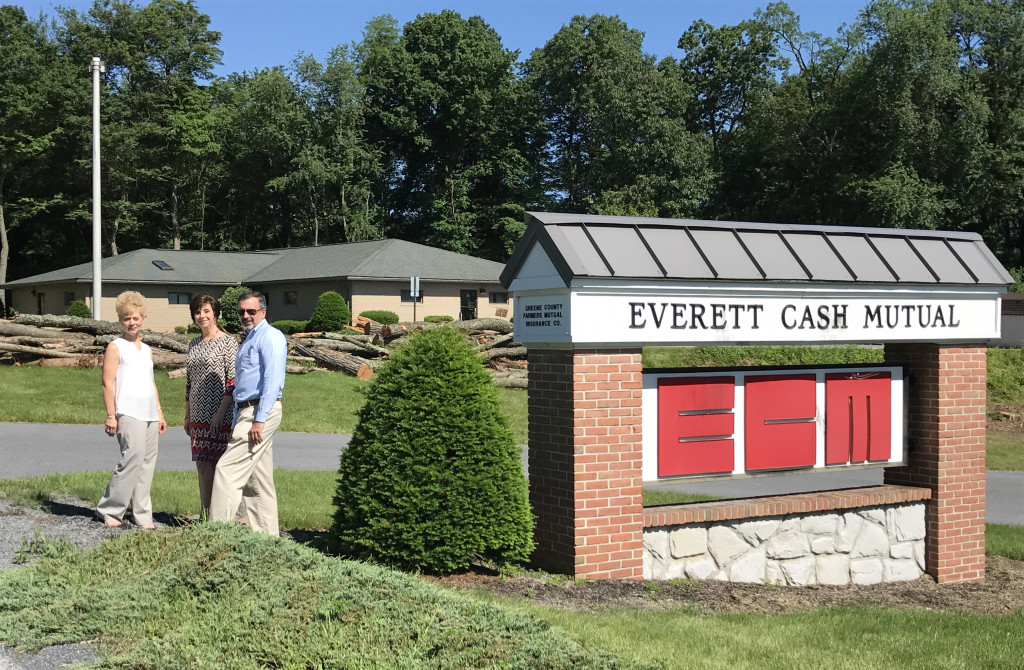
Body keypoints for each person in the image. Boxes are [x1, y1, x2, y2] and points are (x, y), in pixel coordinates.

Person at [209, 290, 287, 535]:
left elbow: (272, 381)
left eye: (251, 311)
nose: (245, 315)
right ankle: (268, 538)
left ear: (263, 312)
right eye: (242, 311)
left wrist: (259, 419)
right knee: (256, 479)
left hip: (260, 411)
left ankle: (215, 534)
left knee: (226, 470)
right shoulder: (250, 339)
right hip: (248, 411)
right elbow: (244, 383)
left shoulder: (270, 337)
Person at [96, 291, 167, 528]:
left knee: (147, 464)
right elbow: (107, 383)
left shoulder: (146, 349)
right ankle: (110, 509)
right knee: (131, 458)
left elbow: (151, 382)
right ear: (120, 320)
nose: (131, 322)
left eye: (135, 318)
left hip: (149, 413)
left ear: (143, 318)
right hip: (127, 411)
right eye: (126, 318)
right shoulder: (115, 347)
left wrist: (159, 411)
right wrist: (110, 414)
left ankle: (142, 514)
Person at [184, 294, 237, 517]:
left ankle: (221, 515)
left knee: (219, 467)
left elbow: (232, 381)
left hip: (219, 415)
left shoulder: (228, 342)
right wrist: (187, 415)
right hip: (197, 415)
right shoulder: (193, 344)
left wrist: (220, 413)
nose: (202, 316)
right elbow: (188, 382)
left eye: (206, 311)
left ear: (215, 313)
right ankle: (205, 514)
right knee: (202, 465)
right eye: (198, 312)